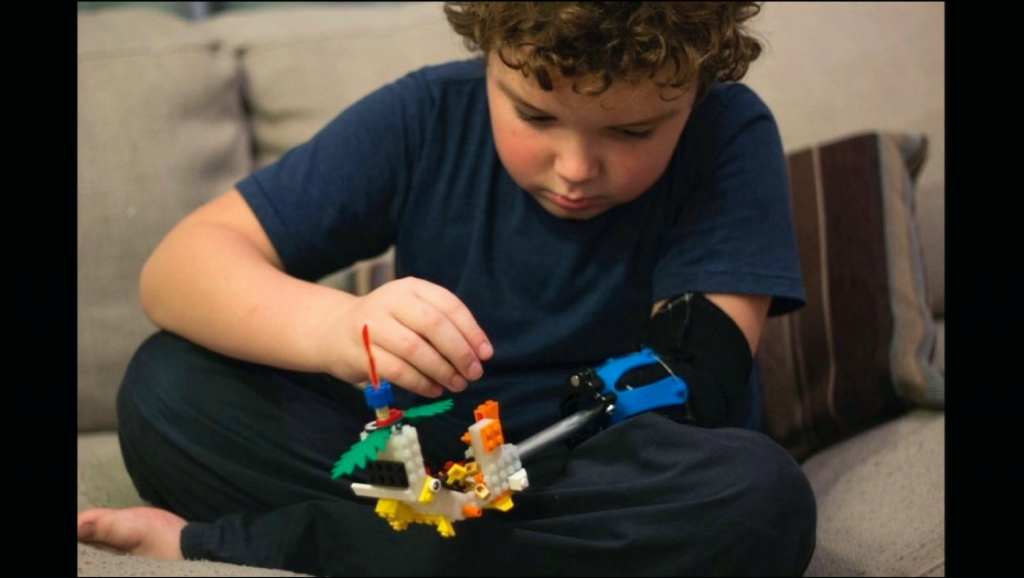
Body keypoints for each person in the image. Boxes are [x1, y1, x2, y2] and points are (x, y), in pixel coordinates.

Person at [77, 2, 816, 575]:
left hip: (602, 473)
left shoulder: (727, 132)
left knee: (759, 500)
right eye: (535, 114)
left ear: (693, 92)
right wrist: (339, 329)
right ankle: (462, 546)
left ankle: (279, 545)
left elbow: (701, 375)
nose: (576, 167)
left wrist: (511, 477)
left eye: (632, 133)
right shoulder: (428, 116)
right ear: (490, 56)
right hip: (430, 459)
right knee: (165, 386)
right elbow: (179, 269)